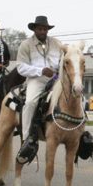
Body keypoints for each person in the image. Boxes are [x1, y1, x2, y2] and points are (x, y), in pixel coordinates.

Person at [15, 16, 64, 164]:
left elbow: (64, 58)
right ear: (34, 29)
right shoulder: (26, 45)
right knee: (30, 102)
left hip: (56, 78)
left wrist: (61, 66)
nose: (43, 31)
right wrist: (40, 71)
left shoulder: (56, 43)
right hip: (37, 79)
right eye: (40, 29)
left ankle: (79, 133)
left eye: (45, 29)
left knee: (74, 96)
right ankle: (26, 139)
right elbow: (21, 67)